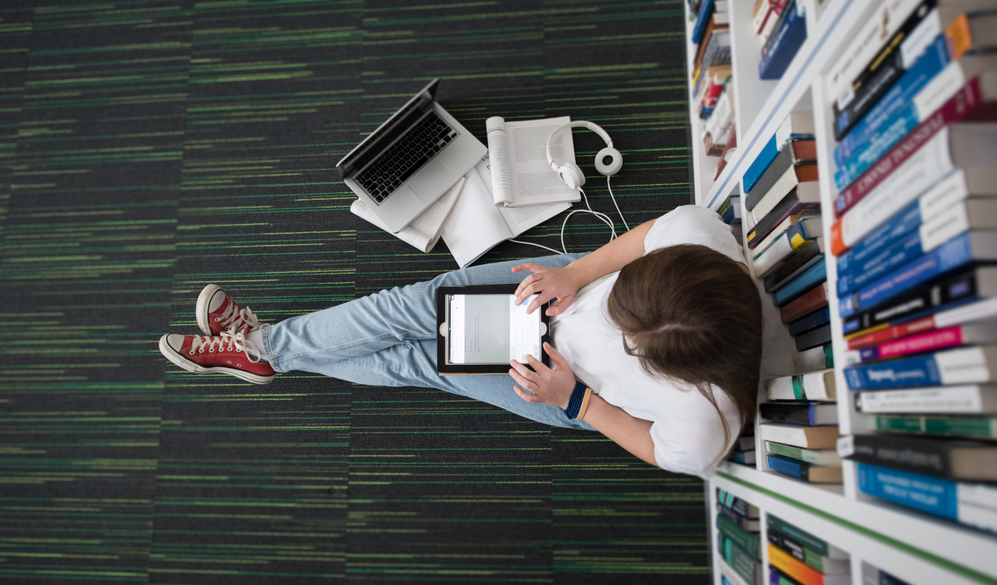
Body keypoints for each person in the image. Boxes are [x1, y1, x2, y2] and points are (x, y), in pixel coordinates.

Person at [158, 205, 763, 478]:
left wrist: (576, 402)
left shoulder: (705, 425)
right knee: (409, 307)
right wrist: (579, 276)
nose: (617, 322)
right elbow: (648, 236)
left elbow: (656, 447)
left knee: (420, 359)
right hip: (565, 289)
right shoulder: (700, 238)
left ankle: (263, 350)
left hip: (570, 385)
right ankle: (266, 349)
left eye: (626, 335)